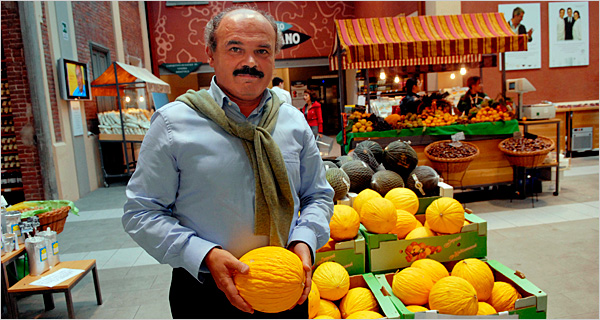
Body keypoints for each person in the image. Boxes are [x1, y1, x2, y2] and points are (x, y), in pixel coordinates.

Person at [122, 7, 334, 319]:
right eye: (235, 49)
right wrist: (203, 254)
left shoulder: (293, 122)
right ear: (211, 54)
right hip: (204, 291)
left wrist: (305, 239)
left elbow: (318, 194)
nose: (250, 62)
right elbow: (141, 212)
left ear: (274, 56)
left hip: (283, 285)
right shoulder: (173, 123)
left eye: (262, 51)